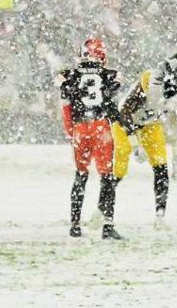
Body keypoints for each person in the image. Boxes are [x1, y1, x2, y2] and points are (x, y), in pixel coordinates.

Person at [112, 50, 177, 221]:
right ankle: (103, 209)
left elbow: (176, 121)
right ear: (175, 73)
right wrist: (135, 145)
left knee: (161, 166)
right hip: (126, 122)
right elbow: (124, 112)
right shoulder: (151, 81)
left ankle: (160, 216)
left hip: (151, 124)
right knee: (119, 169)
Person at [58, 35, 123, 239]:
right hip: (100, 127)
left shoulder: (68, 75)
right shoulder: (110, 75)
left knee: (81, 175)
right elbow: (111, 105)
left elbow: (66, 104)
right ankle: (107, 225)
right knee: (107, 177)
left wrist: (71, 130)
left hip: (80, 128)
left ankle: (75, 224)